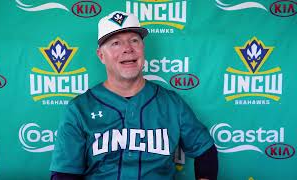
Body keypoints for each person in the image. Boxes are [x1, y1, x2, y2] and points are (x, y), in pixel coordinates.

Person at [50, 11, 218, 180]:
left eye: (134, 40)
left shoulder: (171, 103)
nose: (127, 49)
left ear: (142, 48)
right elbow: (64, 173)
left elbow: (205, 150)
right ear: (101, 55)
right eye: (116, 43)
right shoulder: (79, 109)